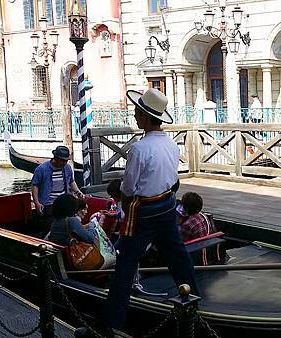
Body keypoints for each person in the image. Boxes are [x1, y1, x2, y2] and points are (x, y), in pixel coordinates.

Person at [75, 88, 199, 337]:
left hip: (143, 211)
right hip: (167, 205)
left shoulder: (139, 149)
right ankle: (194, 300)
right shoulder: (171, 145)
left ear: (143, 117)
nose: (133, 115)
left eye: (136, 112)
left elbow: (129, 188)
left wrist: (125, 197)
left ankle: (109, 325)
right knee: (178, 255)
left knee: (125, 266)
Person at [31, 145, 84, 234]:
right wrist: (37, 202)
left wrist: (78, 191)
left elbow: (71, 182)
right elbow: (35, 185)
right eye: (62, 160)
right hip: (48, 203)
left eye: (66, 160)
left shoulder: (67, 168)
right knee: (49, 228)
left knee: (65, 226)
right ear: (55, 158)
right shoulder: (42, 169)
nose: (64, 163)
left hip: (64, 203)